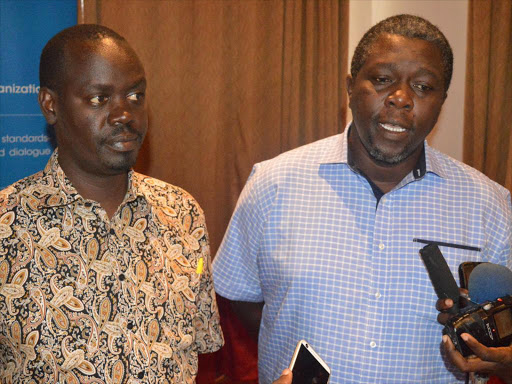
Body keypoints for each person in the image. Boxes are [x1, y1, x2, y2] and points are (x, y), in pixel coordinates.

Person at [212, 14, 512, 384]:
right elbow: (243, 305)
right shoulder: (273, 183)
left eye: (422, 86)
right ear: (351, 86)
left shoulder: (491, 205)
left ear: (441, 102)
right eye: (383, 80)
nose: (400, 99)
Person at [0, 24, 223, 384]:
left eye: (135, 95)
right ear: (50, 105)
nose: (124, 114)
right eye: (99, 99)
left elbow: (200, 359)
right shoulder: (7, 225)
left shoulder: (182, 214)